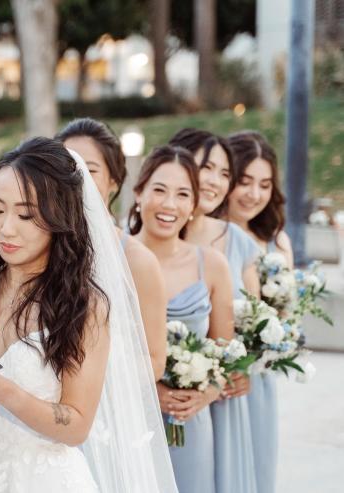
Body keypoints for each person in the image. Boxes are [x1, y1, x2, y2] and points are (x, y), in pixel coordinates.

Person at [0, 137, 177, 492]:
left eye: (26, 215)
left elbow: (77, 426)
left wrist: (3, 391)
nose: (6, 228)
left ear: (59, 218)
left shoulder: (85, 307)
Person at [129, 145, 236, 493]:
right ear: (139, 193)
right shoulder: (114, 261)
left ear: (193, 206)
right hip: (127, 418)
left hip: (189, 424)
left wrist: (206, 394)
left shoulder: (212, 265)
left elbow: (227, 355)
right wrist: (150, 390)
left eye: (183, 194)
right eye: (159, 190)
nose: (169, 204)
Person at [169, 128, 259, 493]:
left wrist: (240, 367)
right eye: (206, 167)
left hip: (219, 398)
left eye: (224, 173)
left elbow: (250, 323)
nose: (215, 181)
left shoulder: (238, 242)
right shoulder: (145, 234)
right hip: (159, 396)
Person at [56, 118, 167, 381]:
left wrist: (87, 381)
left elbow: (155, 361)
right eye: (67, 166)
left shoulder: (137, 260)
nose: (75, 177)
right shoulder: (39, 246)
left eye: (90, 169)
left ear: (114, 180)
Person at [227, 130, 290, 493]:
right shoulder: (206, 237)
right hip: (219, 377)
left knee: (259, 472)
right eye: (245, 181)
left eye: (264, 185)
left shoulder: (275, 242)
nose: (254, 194)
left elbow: (287, 317)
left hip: (258, 379)